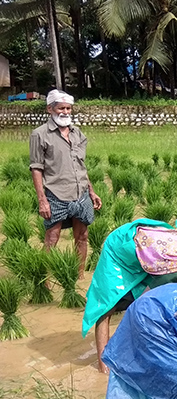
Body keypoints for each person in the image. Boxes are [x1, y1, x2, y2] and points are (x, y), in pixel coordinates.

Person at [81, 219, 177, 373]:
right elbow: (148, 304)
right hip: (122, 249)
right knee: (107, 305)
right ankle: (103, 365)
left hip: (149, 254)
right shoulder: (171, 268)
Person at [29, 89, 102, 276]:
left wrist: (91, 191)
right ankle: (44, 280)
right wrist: (42, 200)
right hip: (56, 193)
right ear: (50, 109)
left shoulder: (77, 133)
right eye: (61, 108)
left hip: (80, 193)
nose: (66, 112)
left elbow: (81, 166)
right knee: (52, 237)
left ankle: (78, 277)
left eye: (69, 108)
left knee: (83, 236)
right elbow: (36, 168)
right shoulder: (40, 134)